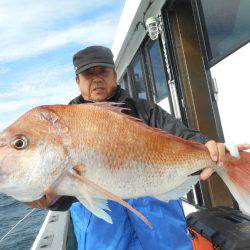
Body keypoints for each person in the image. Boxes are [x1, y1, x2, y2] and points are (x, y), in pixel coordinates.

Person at [25, 46, 227, 249]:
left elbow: (179, 134)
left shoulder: (143, 109)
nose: (96, 79)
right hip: (102, 228)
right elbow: (68, 189)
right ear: (78, 81)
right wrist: (50, 200)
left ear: (114, 74)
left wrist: (206, 147)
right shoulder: (64, 125)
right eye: (88, 74)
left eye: (102, 71)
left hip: (158, 215)